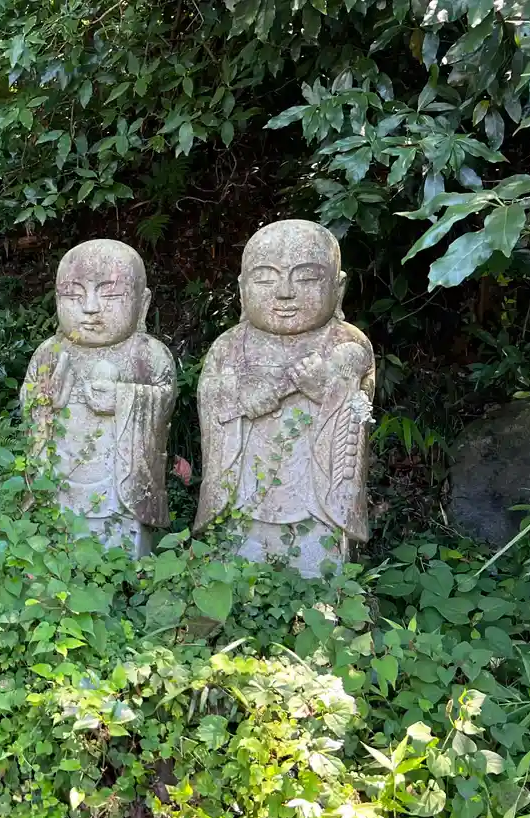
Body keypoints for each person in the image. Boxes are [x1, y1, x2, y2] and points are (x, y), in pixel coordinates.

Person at [195, 219, 376, 577]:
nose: (285, 293)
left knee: (317, 561)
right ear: (242, 291)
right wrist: (240, 395)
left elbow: (356, 408)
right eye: (265, 279)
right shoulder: (229, 346)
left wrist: (324, 390)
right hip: (246, 489)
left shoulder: (347, 343)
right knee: (239, 553)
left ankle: (323, 584)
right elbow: (211, 397)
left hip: (314, 498)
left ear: (338, 289)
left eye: (306, 278)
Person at [21, 240, 176, 553]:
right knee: (58, 530)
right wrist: (45, 400)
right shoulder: (49, 352)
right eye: (74, 295)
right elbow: (29, 401)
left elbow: (165, 400)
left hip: (119, 484)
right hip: (63, 473)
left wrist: (123, 399)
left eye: (110, 295)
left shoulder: (148, 354)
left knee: (122, 539)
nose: (90, 307)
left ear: (142, 303)